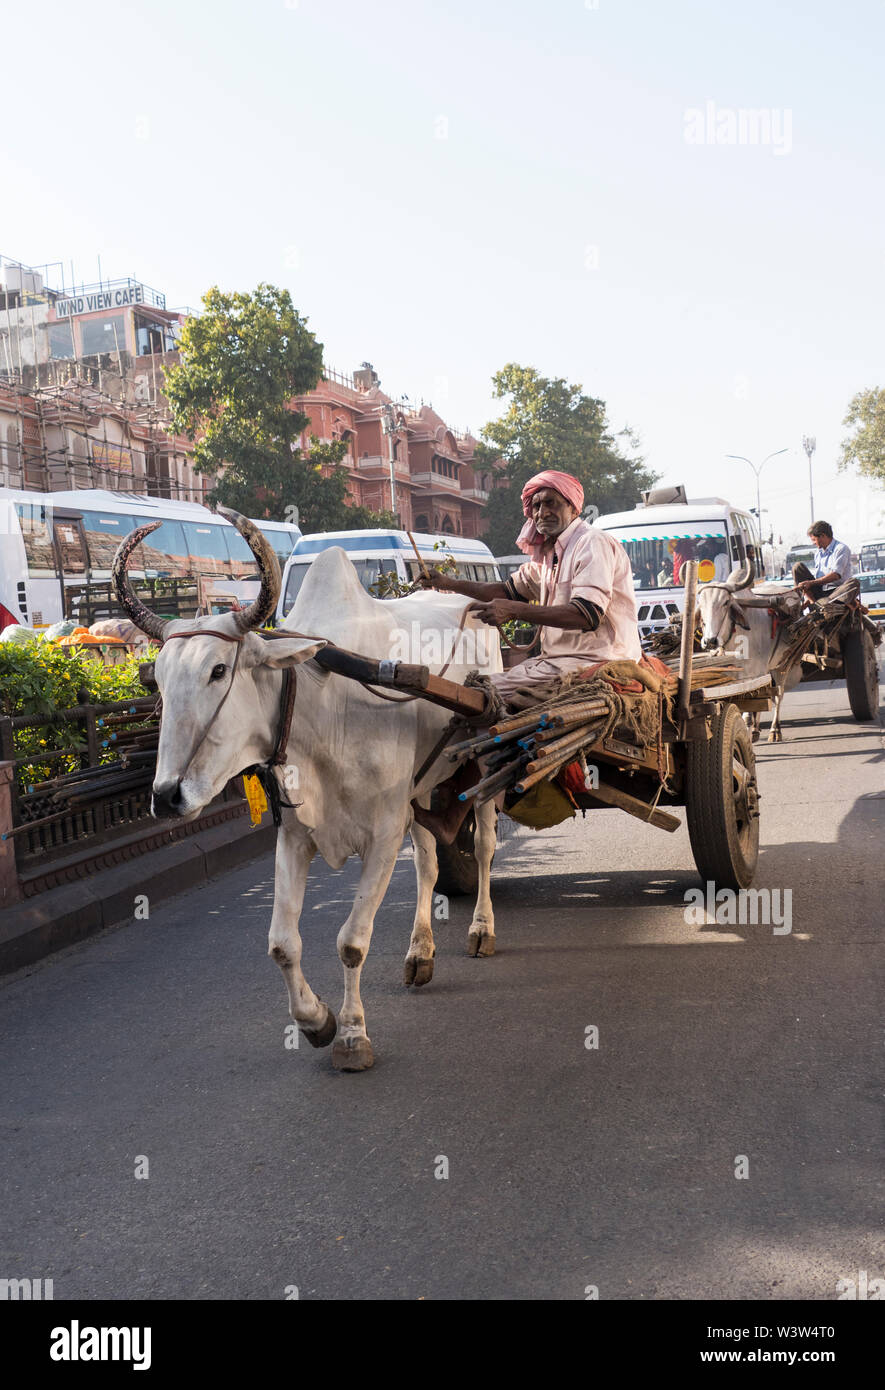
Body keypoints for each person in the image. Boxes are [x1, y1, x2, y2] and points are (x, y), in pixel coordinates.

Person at [419, 469, 641, 698]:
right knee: (475, 687)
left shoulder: (592, 542)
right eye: (536, 506)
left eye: (551, 503)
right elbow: (507, 592)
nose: (542, 513)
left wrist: (514, 611)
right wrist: (450, 583)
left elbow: (586, 615)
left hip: (597, 661)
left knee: (477, 694)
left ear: (573, 507)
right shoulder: (546, 556)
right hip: (556, 663)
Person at [793, 521, 852, 600]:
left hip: (837, 591)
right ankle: (814, 604)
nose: (813, 543)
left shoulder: (841, 549)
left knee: (854, 583)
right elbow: (818, 579)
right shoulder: (818, 553)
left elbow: (836, 575)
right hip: (821, 591)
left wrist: (810, 583)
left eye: (814, 540)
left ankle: (821, 604)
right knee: (798, 567)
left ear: (823, 536)